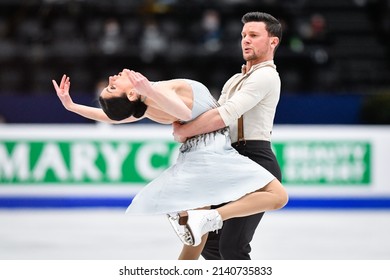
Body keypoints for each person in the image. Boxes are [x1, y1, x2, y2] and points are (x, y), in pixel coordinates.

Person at [52, 68, 288, 259]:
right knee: (277, 195)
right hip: (212, 156)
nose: (112, 77)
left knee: (194, 247)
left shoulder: (143, 105)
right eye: (112, 87)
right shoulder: (152, 94)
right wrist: (151, 90)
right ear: (131, 94)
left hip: (196, 158)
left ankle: (205, 219)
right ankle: (212, 217)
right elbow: (184, 112)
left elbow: (114, 118)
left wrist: (71, 106)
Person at [172, 12, 283, 260]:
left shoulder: (267, 76)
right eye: (244, 35)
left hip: (255, 159)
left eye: (253, 35)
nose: (245, 40)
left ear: (272, 41)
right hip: (230, 159)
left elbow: (226, 114)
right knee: (210, 242)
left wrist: (185, 131)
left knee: (232, 247)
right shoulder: (236, 79)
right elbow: (213, 118)